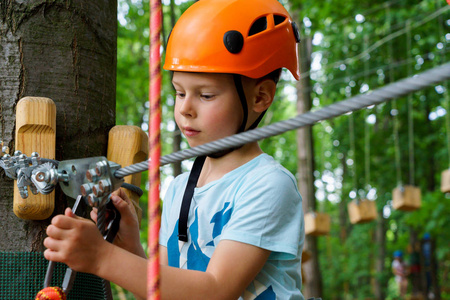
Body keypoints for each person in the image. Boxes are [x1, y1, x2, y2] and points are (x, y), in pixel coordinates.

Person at [43, 0, 305, 299]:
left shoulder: (268, 185)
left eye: (205, 95)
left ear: (260, 97)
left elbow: (216, 291)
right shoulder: (181, 188)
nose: (185, 109)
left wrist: (103, 257)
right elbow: (168, 291)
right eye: (179, 92)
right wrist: (130, 249)